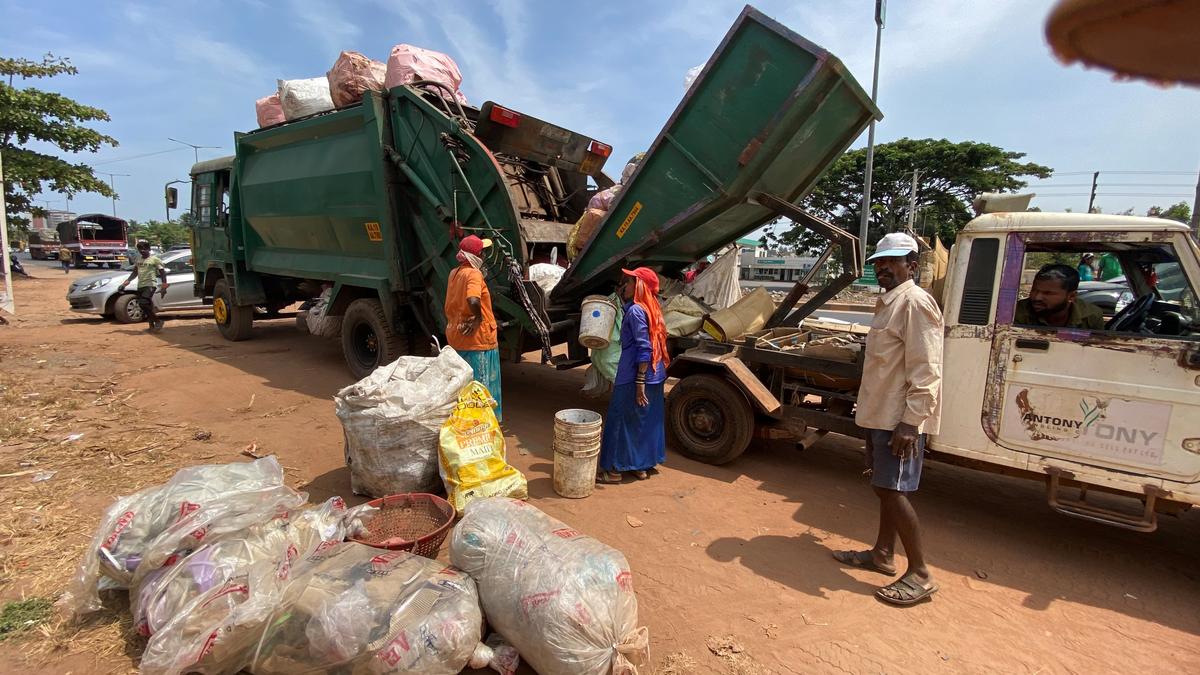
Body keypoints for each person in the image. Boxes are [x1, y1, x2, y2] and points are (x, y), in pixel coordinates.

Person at [833, 232, 942, 606]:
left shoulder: (914, 303)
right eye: (879, 262)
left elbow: (927, 369)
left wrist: (911, 423)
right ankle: (882, 554)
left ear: (912, 265)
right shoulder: (889, 303)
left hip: (898, 420)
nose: (883, 267)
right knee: (884, 487)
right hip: (881, 414)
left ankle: (921, 573)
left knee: (893, 490)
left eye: (892, 261)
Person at [596, 267, 669, 484]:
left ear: (638, 286)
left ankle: (614, 471)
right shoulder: (653, 308)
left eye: (628, 282)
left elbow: (643, 348)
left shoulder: (637, 311)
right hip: (656, 374)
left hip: (634, 376)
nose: (624, 286)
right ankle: (641, 467)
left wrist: (639, 383)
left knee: (620, 421)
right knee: (644, 422)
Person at [444, 235, 502, 421]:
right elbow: (473, 299)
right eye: (482, 252)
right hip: (478, 341)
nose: (484, 255)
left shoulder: (455, 273)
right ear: (477, 255)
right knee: (480, 389)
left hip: (457, 336)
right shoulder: (474, 274)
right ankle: (482, 427)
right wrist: (478, 318)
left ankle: (467, 423)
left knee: (465, 388)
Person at [1014, 264, 1105, 329]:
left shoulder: (1091, 316)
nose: (1036, 297)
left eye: (1047, 293)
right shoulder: (1016, 312)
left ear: (1071, 296)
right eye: (1034, 290)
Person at [117, 241, 168, 332]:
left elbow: (162, 272)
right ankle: (152, 325)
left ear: (149, 249)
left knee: (143, 303)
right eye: (140, 249)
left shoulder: (155, 259)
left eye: (145, 249)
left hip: (150, 284)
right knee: (146, 305)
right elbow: (135, 272)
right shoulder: (138, 259)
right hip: (141, 285)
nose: (143, 251)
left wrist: (164, 285)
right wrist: (125, 283)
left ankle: (158, 321)